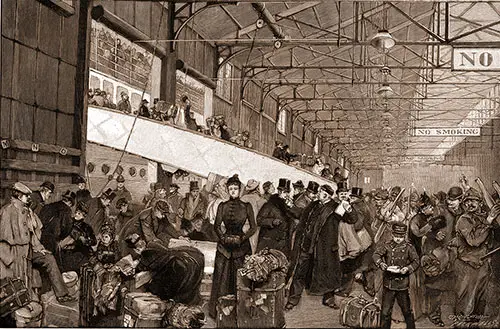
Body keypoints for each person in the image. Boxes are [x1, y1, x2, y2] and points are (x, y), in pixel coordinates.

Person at [0, 182, 75, 303]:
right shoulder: (7, 211)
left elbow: (34, 234)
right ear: (19, 196)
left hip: (30, 250)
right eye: (26, 196)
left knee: (49, 258)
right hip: (14, 252)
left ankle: (62, 294)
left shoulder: (28, 211)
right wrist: (8, 259)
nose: (29, 198)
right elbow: (2, 240)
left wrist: (39, 247)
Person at [287, 184, 355, 309]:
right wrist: (290, 206)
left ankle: (328, 299)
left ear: (327, 195)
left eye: (320, 192)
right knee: (300, 271)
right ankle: (293, 299)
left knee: (327, 274)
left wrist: (348, 208)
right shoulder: (313, 205)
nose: (318, 193)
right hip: (307, 244)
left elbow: (352, 219)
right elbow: (301, 216)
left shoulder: (335, 207)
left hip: (325, 247)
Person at [208, 174, 257, 318]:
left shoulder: (246, 206)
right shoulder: (222, 206)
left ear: (239, 189)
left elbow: (253, 227)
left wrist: (242, 238)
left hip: (241, 247)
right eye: (231, 189)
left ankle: (241, 311)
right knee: (220, 278)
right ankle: (217, 311)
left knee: (241, 279)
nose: (233, 191)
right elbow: (216, 226)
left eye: (235, 188)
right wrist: (223, 238)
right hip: (224, 246)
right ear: (228, 190)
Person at [452, 188, 494, 319]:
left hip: (483, 265)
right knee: (465, 302)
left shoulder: (482, 217)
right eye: (467, 201)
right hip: (468, 266)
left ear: (480, 203)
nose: (469, 204)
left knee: (480, 302)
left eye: (473, 201)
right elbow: (473, 241)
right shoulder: (464, 220)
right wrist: (489, 220)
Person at [373, 222, 419, 329]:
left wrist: (407, 268)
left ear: (404, 236)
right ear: (392, 234)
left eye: (401, 236)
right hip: (389, 283)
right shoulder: (387, 246)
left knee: (407, 311)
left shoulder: (409, 247)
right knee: (385, 312)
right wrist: (382, 264)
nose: (398, 239)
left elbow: (416, 261)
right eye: (396, 236)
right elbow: (376, 255)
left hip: (402, 284)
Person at [256, 178, 297, 258]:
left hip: (283, 245)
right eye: (285, 192)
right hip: (269, 243)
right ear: (279, 192)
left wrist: (291, 208)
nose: (287, 194)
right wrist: (272, 221)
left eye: (288, 192)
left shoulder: (288, 207)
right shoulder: (270, 205)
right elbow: (259, 220)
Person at [58, 201, 96, 273]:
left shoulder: (86, 227)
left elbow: (93, 241)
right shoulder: (68, 222)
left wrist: (84, 240)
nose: (76, 215)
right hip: (65, 250)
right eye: (76, 212)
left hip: (79, 252)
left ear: (83, 216)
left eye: (79, 214)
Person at [38, 190, 76, 255]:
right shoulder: (67, 210)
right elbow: (67, 227)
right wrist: (60, 238)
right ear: (70, 202)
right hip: (53, 239)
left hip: (40, 236)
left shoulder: (49, 206)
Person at [240, 179, 266, 254]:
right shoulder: (263, 200)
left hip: (244, 226)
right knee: (254, 248)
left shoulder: (244, 198)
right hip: (256, 227)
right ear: (257, 188)